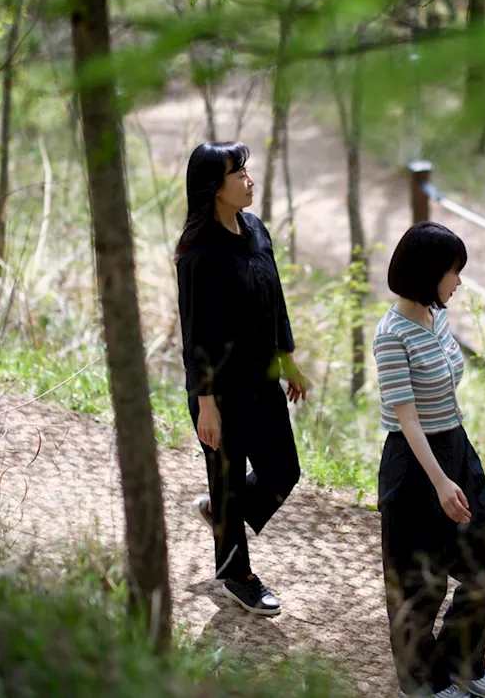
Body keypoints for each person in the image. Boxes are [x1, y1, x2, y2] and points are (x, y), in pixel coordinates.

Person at [175, 140, 309, 617]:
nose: (248, 180)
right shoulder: (197, 253)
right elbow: (196, 335)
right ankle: (237, 574)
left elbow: (274, 300)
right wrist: (205, 403)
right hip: (219, 391)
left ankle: (220, 515)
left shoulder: (255, 229)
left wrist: (287, 359)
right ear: (215, 187)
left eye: (247, 171)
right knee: (228, 482)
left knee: (283, 471)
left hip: (262, 380)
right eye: (239, 174)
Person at [373, 222, 485, 698]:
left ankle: (461, 662)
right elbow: (406, 419)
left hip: (456, 447)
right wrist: (441, 483)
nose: (459, 282)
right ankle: (420, 682)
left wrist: (456, 472)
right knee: (418, 584)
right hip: (414, 464)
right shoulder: (391, 335)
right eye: (454, 272)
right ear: (429, 273)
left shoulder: (436, 315)